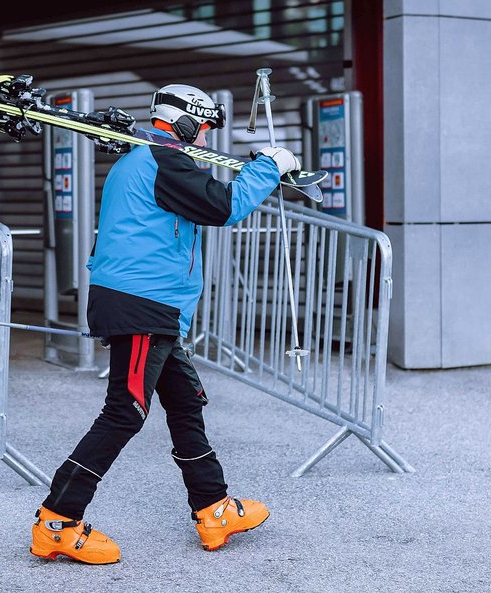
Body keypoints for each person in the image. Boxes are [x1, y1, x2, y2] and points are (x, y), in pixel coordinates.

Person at [30, 84, 301, 563]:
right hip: (142, 304)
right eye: (202, 128)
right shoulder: (162, 159)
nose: (203, 140)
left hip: (156, 306)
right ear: (184, 122)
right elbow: (223, 205)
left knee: (185, 403)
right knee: (126, 410)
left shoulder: (147, 159)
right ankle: (58, 521)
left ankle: (214, 507)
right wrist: (269, 167)